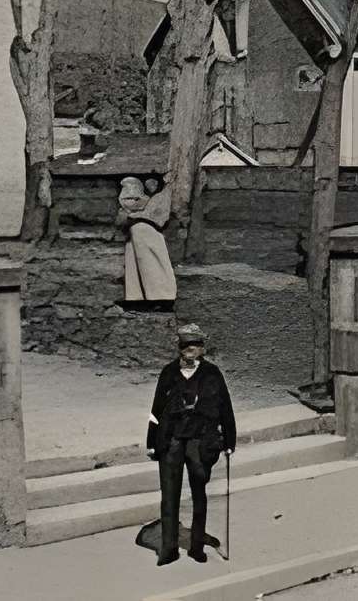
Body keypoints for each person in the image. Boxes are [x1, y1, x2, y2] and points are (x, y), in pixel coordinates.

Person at [145, 323, 235, 566]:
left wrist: (229, 440)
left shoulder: (212, 374)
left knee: (199, 495)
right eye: (185, 345)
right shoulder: (168, 373)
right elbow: (156, 409)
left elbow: (225, 408)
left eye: (194, 345)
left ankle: (196, 547)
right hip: (171, 440)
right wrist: (151, 442)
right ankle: (168, 549)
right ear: (179, 348)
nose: (189, 349)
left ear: (202, 348)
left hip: (200, 441)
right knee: (169, 496)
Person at [118, 175, 177, 310]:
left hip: (150, 230)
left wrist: (132, 217)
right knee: (132, 251)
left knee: (150, 254)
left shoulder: (164, 193)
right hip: (138, 230)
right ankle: (136, 298)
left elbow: (158, 216)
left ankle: (162, 297)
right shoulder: (142, 194)